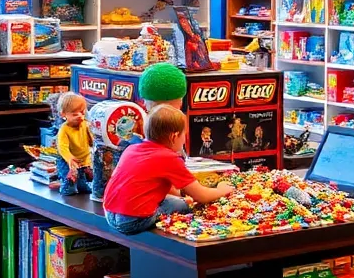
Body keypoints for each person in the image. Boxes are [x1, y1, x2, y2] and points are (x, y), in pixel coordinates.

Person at [103, 105, 235, 235]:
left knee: (177, 201)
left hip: (110, 213)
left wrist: (181, 196)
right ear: (174, 137)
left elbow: (158, 187)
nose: (184, 139)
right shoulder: (169, 158)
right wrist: (222, 190)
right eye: (184, 135)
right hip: (133, 221)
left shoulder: (132, 149)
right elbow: (202, 196)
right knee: (184, 206)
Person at [55, 93, 92, 196]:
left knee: (82, 178)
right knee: (70, 179)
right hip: (67, 160)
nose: (80, 116)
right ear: (63, 114)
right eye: (75, 114)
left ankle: (82, 186)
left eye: (82, 112)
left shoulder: (85, 124)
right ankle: (67, 188)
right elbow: (62, 147)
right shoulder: (64, 129)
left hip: (83, 158)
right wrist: (69, 158)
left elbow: (91, 139)